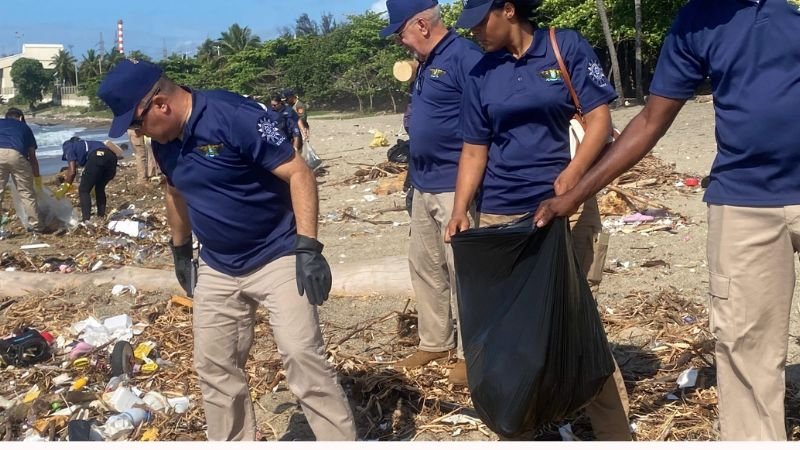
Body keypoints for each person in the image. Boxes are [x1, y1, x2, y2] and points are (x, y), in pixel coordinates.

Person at [534, 0, 800, 441]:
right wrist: (579, 191)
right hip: (743, 205)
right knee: (744, 348)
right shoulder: (696, 20)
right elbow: (650, 121)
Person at [97, 60, 356, 441]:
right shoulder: (164, 143)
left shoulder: (234, 117)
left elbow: (299, 173)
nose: (137, 134)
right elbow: (175, 190)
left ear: (161, 105)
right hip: (218, 264)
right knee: (215, 368)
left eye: (136, 124)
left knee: (303, 358)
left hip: (278, 252)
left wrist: (308, 248)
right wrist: (181, 251)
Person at [445, 0, 630, 440]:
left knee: (577, 322)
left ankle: (616, 433)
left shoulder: (563, 46)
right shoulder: (480, 72)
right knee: (508, 330)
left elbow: (600, 120)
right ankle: (520, 426)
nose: (474, 34)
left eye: (479, 23)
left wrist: (574, 173)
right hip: (502, 213)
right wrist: (458, 210)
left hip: (567, 209)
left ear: (507, 10)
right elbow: (475, 149)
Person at [380, 0, 484, 385]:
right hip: (423, 183)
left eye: (401, 33)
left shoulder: (464, 57)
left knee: (463, 271)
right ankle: (435, 340)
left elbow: (483, 123)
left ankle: (473, 350)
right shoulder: (426, 62)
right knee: (425, 265)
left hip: (454, 185)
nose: (400, 42)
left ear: (421, 25)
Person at [0, 107, 42, 233]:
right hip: (16, 154)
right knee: (26, 193)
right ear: (21, 117)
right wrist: (37, 178)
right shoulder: (24, 127)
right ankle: (36, 226)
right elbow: (32, 156)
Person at [57, 137, 119, 223]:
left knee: (83, 190)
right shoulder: (90, 143)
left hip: (97, 157)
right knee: (99, 188)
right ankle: (101, 217)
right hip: (112, 158)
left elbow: (72, 172)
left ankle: (86, 220)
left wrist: (64, 187)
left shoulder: (68, 146)